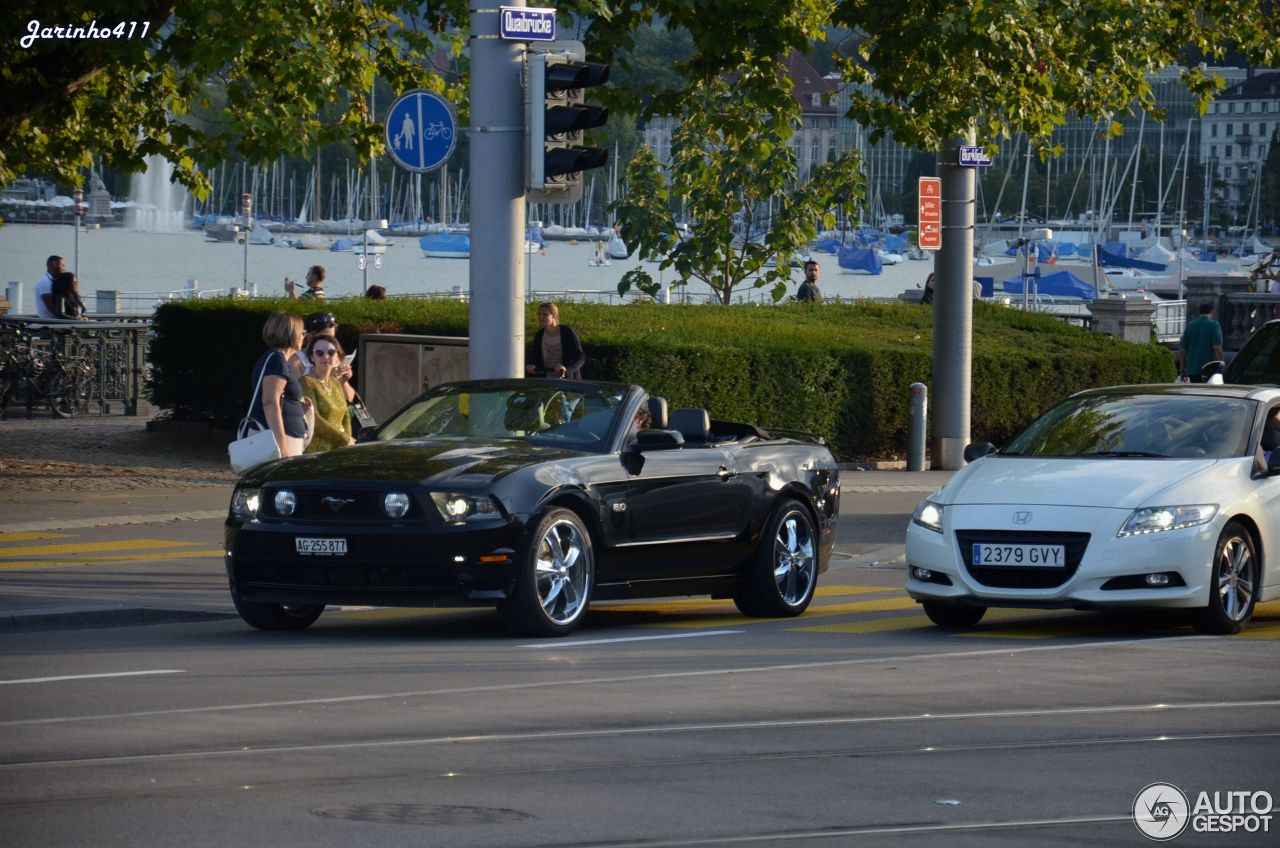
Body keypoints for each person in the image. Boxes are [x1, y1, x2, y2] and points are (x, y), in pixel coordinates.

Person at [248, 312, 311, 459]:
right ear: (293, 334)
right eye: (303, 332)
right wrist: (282, 446)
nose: (304, 336)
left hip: (284, 437)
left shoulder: (275, 359)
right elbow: (270, 401)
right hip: (277, 441)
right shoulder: (277, 360)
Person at [301, 335, 355, 452]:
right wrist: (344, 439)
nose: (326, 356)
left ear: (337, 357)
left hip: (340, 449)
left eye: (331, 352)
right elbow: (314, 419)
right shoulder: (306, 382)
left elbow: (345, 414)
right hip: (317, 452)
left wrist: (347, 441)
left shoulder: (335, 382)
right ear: (312, 357)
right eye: (319, 353)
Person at [292, 311, 356, 403]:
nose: (330, 342)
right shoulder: (296, 361)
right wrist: (328, 377)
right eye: (325, 337)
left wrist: (343, 381)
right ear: (310, 336)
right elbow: (296, 397)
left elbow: (349, 398)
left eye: (332, 338)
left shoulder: (333, 357)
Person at [527, 301, 585, 379]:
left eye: (544, 315)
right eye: (539, 315)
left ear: (553, 316)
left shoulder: (566, 332)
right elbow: (535, 358)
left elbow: (580, 357)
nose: (540, 317)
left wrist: (567, 370)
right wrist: (532, 366)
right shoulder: (539, 335)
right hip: (547, 382)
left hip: (568, 382)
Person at [1179, 302, 1225, 383]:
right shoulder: (1214, 325)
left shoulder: (1190, 325)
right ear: (1211, 313)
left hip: (1192, 369)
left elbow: (1183, 350)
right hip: (1209, 369)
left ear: (1200, 312)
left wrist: (1182, 369)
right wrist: (1222, 364)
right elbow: (1217, 347)